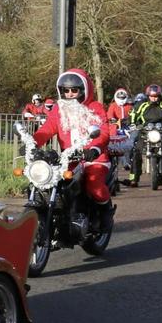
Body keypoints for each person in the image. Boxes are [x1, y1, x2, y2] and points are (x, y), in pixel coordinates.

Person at [32, 68, 115, 231]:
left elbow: (103, 131)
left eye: (74, 90)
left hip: (94, 158)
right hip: (68, 159)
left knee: (94, 186)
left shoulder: (94, 107)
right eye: (65, 90)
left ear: (84, 90)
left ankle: (106, 212)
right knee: (48, 182)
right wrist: (32, 143)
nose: (69, 94)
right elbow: (47, 129)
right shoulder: (58, 109)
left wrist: (95, 148)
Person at [128, 84, 162, 186]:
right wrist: (133, 123)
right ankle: (134, 177)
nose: (154, 98)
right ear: (148, 96)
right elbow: (133, 113)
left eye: (156, 96)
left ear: (159, 96)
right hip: (145, 130)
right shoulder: (142, 104)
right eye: (152, 96)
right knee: (136, 151)